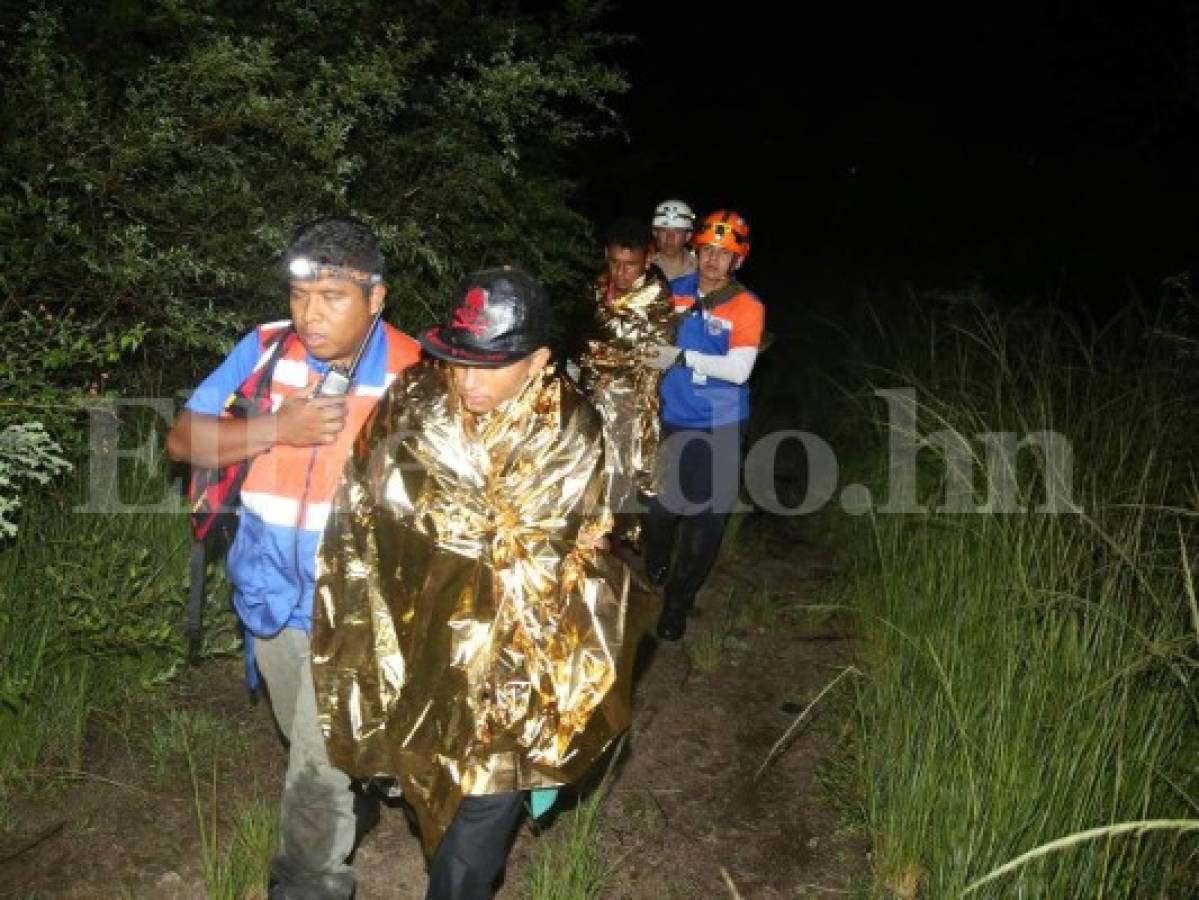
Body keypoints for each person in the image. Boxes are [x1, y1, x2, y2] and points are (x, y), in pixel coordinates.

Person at [311, 267, 651, 900]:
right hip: (418, 641)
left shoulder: (568, 429)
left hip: (517, 664)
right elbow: (366, 497)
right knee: (424, 782)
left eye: (488, 365)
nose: (467, 379)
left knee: (475, 834)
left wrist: (441, 526)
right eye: (458, 360)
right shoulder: (415, 396)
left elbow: (548, 553)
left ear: (539, 360)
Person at [165, 216, 421, 899]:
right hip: (265, 590)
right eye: (300, 293)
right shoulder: (264, 350)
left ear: (376, 297)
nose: (310, 313)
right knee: (302, 731)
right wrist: (280, 426)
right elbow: (184, 440)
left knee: (314, 768)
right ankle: (366, 780)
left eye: (332, 295)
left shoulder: (416, 373)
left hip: (356, 607)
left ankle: (306, 883)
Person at [640, 209, 765, 641]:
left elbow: (738, 369)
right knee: (658, 510)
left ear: (738, 261)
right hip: (671, 419)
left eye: (724, 253)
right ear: (696, 250)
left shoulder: (748, 307)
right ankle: (655, 561)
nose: (713, 260)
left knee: (706, 521)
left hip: (722, 425)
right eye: (708, 249)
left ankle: (678, 600)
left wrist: (681, 357)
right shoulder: (671, 292)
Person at [577, 216, 675, 547]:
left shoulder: (658, 298)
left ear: (646, 261)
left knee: (615, 476)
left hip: (628, 403)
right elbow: (581, 335)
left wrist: (611, 361)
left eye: (630, 266)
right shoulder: (596, 286)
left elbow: (655, 354)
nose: (621, 273)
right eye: (615, 263)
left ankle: (608, 545)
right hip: (589, 392)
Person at [648, 198, 697, 281]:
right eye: (664, 230)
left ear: (688, 236)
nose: (669, 238)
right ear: (655, 233)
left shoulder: (701, 269)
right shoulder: (644, 267)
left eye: (677, 231)